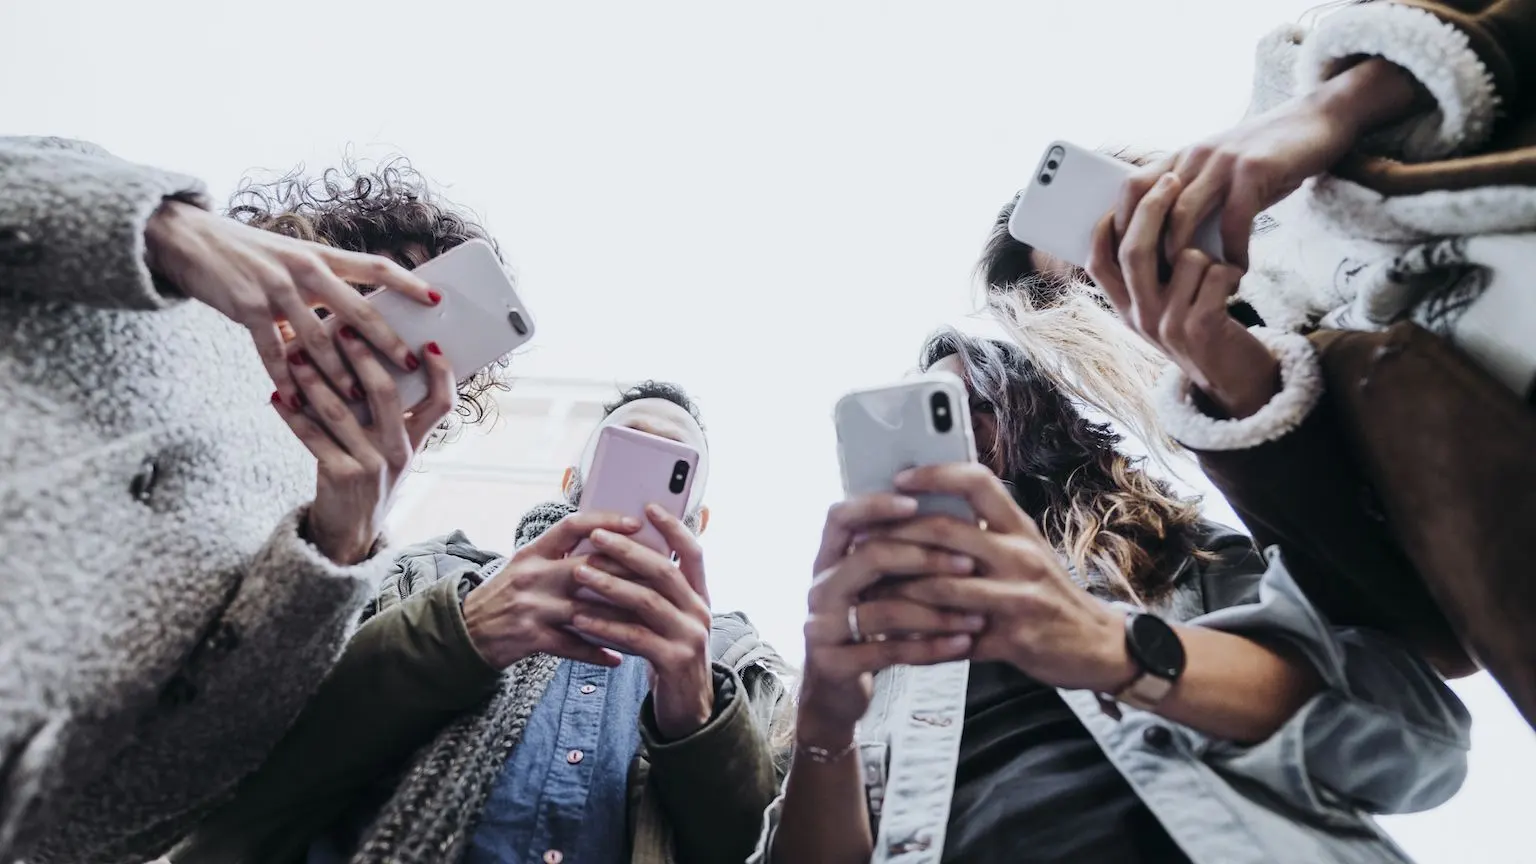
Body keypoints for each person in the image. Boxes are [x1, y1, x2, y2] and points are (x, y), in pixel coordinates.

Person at [980, 0, 1536, 722]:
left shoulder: (1296, 85)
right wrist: (1230, 377)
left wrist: (1335, 110)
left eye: (1119, 217)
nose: (1127, 260)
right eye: (1090, 283)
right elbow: (1427, 641)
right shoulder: (1248, 414)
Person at [752, 328, 1469, 864]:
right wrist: (823, 731)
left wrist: (1111, 645)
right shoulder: (867, 650)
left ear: (1033, 420)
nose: (962, 430)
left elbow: (1416, 737)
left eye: (979, 404)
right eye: (933, 412)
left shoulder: (1172, 548)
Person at [1, 145, 508, 864]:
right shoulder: (146, 267)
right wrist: (161, 229)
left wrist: (333, 551)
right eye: (389, 283)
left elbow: (123, 818)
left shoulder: (322, 528)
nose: (391, 336)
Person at [169, 380, 795, 864]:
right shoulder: (433, 574)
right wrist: (461, 633)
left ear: (698, 520)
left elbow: (757, 846)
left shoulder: (738, 663)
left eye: (673, 466)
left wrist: (696, 713)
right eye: (628, 446)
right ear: (573, 480)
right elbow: (274, 751)